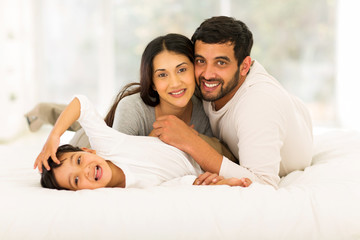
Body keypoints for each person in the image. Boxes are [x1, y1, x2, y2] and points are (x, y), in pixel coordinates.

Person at [33, 33, 236, 177]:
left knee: (97, 118)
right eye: (162, 75)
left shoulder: (205, 107)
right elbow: (119, 161)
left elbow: (217, 158)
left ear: (194, 69)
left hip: (116, 132)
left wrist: (188, 138)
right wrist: (153, 141)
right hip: (95, 143)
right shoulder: (132, 108)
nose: (175, 83)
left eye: (182, 70)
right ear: (153, 83)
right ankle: (43, 111)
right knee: (85, 123)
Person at [152, 16, 313, 188]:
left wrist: (192, 142)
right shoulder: (204, 83)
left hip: (292, 126)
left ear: (244, 67)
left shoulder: (259, 104)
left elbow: (263, 184)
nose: (207, 74)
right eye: (201, 61)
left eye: (221, 63)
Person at [38, 95, 251, 190]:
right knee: (83, 132)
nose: (83, 171)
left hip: (193, 141)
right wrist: (221, 183)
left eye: (79, 161)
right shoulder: (135, 190)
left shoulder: (105, 147)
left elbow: (81, 103)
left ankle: (49, 114)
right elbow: (186, 184)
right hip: (196, 163)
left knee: (83, 131)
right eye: (75, 181)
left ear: (88, 152)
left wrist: (54, 136)